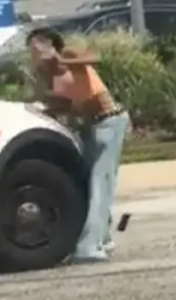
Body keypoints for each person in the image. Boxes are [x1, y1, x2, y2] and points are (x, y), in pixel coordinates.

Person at [26, 27, 129, 263]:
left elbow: (94, 58)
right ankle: (102, 238)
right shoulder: (44, 74)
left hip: (109, 121)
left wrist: (62, 59)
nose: (35, 50)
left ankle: (90, 247)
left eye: (39, 44)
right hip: (88, 127)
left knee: (100, 183)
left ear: (52, 44)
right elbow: (64, 104)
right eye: (32, 47)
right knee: (88, 185)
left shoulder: (69, 57)